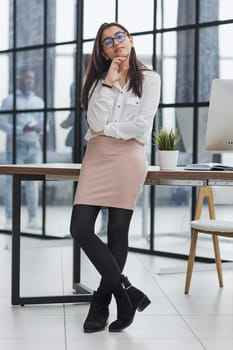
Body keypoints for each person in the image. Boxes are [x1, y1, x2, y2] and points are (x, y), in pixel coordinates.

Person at [70, 22, 160, 333]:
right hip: (96, 157)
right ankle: (125, 295)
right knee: (80, 228)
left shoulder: (149, 78)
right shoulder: (97, 83)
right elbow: (94, 119)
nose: (116, 43)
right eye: (108, 42)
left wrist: (107, 130)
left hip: (128, 157)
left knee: (117, 233)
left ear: (131, 40)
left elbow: (141, 125)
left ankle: (100, 302)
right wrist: (108, 82)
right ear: (104, 51)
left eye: (120, 36)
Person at [0, 68, 44, 229]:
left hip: (34, 146)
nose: (29, 81)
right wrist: (21, 130)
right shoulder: (9, 101)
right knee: (10, 183)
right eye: (26, 78)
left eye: (31, 78)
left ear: (34, 81)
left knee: (33, 185)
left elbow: (45, 124)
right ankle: (10, 218)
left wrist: (40, 127)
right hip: (16, 145)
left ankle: (32, 219)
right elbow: (2, 123)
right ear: (20, 80)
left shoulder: (39, 102)